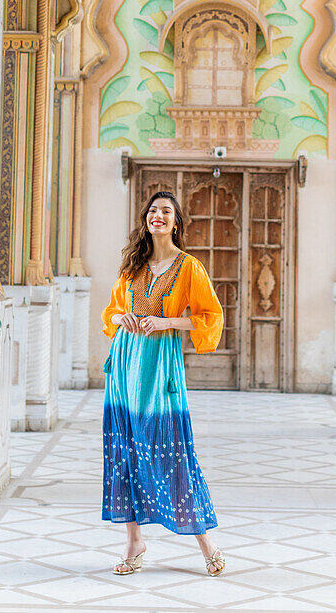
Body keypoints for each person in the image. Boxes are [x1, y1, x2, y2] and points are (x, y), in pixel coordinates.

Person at [101, 189, 226, 577]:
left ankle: (206, 542)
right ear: (146, 219)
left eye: (166, 211)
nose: (158, 216)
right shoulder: (132, 266)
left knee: (173, 454)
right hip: (125, 364)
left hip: (160, 367)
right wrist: (122, 319)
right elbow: (112, 312)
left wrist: (167, 321)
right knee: (126, 451)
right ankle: (133, 541)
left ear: (176, 221)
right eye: (153, 211)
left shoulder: (189, 267)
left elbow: (210, 318)